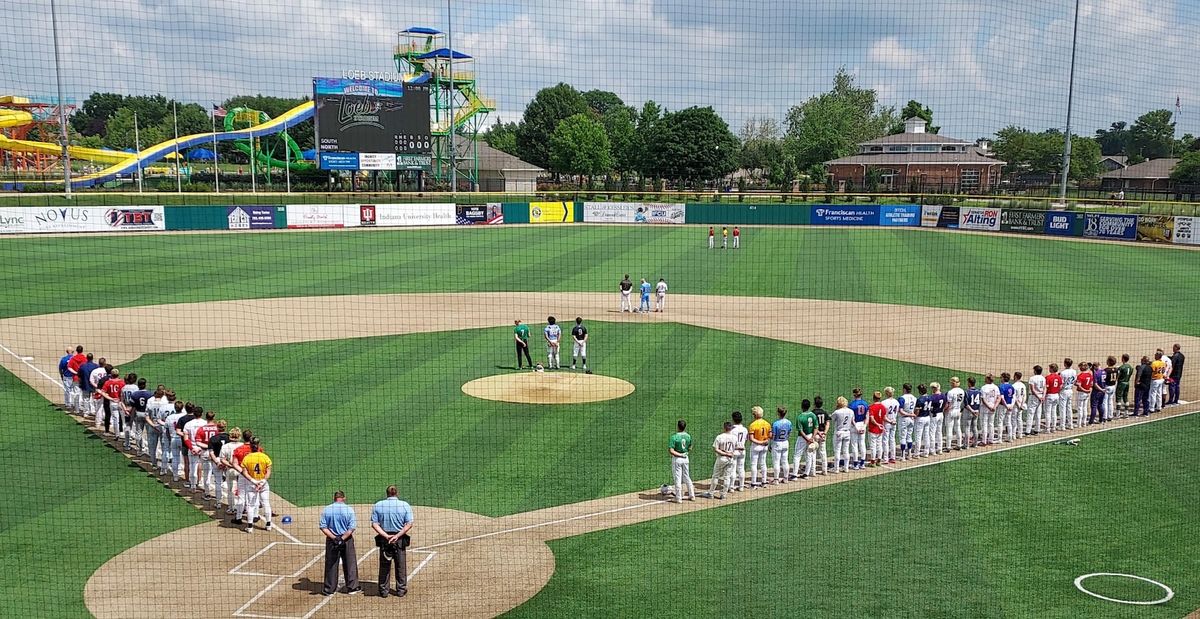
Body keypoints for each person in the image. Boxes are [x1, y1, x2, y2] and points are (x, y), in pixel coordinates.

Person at [372, 485, 414, 598]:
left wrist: (386, 536)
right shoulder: (404, 505)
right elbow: (409, 524)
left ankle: (383, 591)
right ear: (397, 493)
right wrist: (397, 536)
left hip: (384, 539)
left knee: (384, 565)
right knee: (400, 565)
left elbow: (374, 524)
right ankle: (401, 590)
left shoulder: (378, 505)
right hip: (399, 539)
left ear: (387, 493)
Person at [320, 490, 361, 596]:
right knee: (350, 563)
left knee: (331, 564)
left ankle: (329, 589)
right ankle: (352, 587)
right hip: (346, 540)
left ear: (334, 498)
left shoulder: (327, 509)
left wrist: (335, 538)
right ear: (344, 498)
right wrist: (342, 538)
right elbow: (351, 528)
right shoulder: (349, 510)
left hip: (331, 540)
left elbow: (323, 527)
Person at [239, 438, 273, 533]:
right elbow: (268, 471)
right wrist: (262, 481)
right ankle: (268, 525)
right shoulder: (265, 457)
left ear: (250, 446)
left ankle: (250, 527)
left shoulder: (247, 458)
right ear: (258, 445)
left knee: (250, 505)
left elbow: (244, 472)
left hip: (251, 484)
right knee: (266, 503)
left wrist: (254, 481)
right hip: (263, 484)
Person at [705, 421, 736, 499]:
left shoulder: (720, 437)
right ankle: (724, 495)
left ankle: (711, 493)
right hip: (730, 459)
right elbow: (735, 448)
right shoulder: (734, 437)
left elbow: (716, 449)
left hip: (721, 458)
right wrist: (729, 453)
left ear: (724, 428)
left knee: (716, 476)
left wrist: (725, 453)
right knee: (727, 477)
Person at [668, 419, 695, 503]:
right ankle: (692, 495)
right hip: (686, 459)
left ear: (678, 426)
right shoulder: (688, 436)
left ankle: (678, 498)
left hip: (677, 459)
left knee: (677, 478)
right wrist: (685, 453)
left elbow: (671, 451)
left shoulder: (674, 437)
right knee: (687, 477)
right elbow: (690, 447)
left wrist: (680, 455)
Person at [218, 427, 244, 516]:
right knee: (242, 490)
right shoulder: (243, 446)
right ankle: (243, 508)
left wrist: (230, 465)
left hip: (231, 470)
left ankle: (231, 508)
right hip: (241, 470)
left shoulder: (225, 446)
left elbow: (222, 459)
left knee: (230, 490)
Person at [792, 400, 818, 478]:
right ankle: (806, 474)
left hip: (802, 438)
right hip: (811, 436)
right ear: (809, 406)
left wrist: (807, 439)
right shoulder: (813, 415)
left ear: (802, 406)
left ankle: (794, 475)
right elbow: (816, 428)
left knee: (797, 456)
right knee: (809, 455)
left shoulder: (800, 417)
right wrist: (812, 438)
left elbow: (800, 430)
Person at [747, 406, 770, 487]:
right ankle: (764, 481)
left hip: (756, 446)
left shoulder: (752, 425)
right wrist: (765, 441)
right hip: (764, 446)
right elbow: (770, 435)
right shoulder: (767, 423)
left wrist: (760, 442)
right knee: (763, 463)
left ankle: (753, 483)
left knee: (754, 464)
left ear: (754, 415)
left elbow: (751, 439)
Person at [769, 407, 792, 483]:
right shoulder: (789, 422)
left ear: (778, 413)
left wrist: (770, 444)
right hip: (785, 442)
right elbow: (789, 433)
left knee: (776, 462)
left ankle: (776, 480)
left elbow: (773, 436)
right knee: (785, 461)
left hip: (777, 443)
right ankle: (786, 478)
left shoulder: (775, 423)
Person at [831, 396, 854, 473]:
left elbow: (832, 419)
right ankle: (846, 468)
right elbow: (852, 420)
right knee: (846, 451)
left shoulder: (837, 412)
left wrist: (836, 409)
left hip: (839, 432)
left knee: (837, 451)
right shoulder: (851, 411)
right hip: (847, 432)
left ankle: (836, 469)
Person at [848, 388, 868, 469]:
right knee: (862, 443)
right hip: (862, 424)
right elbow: (867, 417)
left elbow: (851, 419)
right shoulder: (865, 403)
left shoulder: (852, 405)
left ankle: (855, 464)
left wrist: (856, 427)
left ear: (854, 394)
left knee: (854, 445)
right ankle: (862, 463)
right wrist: (864, 426)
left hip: (854, 425)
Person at [866, 392, 887, 467]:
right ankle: (879, 461)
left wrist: (877, 424)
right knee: (879, 445)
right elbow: (884, 417)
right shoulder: (883, 407)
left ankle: (872, 462)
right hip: (880, 429)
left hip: (873, 429)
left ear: (873, 398)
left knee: (873, 446)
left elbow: (872, 419)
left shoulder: (871, 407)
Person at [812, 396, 831, 474]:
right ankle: (824, 470)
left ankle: (813, 471)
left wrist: (818, 433)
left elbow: (813, 426)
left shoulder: (812, 413)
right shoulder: (824, 412)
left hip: (816, 435)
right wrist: (824, 432)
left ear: (814, 404)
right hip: (823, 435)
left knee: (813, 453)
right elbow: (828, 423)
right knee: (823, 452)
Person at [945, 378, 965, 450]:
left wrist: (945, 410)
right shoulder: (962, 391)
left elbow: (948, 404)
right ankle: (959, 444)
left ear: (953, 383)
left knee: (949, 429)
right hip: (958, 410)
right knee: (958, 428)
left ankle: (948, 446)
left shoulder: (950, 392)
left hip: (951, 411)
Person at [898, 384, 917, 460]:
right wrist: (912, 414)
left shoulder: (902, 398)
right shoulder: (914, 398)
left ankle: (903, 456)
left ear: (904, 389)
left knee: (903, 437)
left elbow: (901, 411)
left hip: (904, 419)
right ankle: (909, 454)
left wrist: (909, 414)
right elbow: (915, 409)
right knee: (909, 436)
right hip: (911, 419)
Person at [979, 375, 999, 446]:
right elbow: (998, 398)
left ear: (988, 379)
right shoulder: (996, 387)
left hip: (985, 408)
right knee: (991, 424)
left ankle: (984, 441)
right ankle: (991, 440)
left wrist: (989, 407)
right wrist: (994, 406)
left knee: (984, 424)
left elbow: (983, 399)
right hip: (993, 407)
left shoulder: (984, 387)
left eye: (985, 378)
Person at [1026, 366, 1046, 435]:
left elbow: (1032, 389)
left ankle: (1028, 431)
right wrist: (1043, 396)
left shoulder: (1032, 378)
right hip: (1041, 396)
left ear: (1035, 371)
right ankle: (1037, 430)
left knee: (1030, 414)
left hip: (1034, 396)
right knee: (1038, 414)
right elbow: (1045, 388)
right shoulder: (1043, 378)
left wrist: (1038, 397)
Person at [66, 346, 87, 414]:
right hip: (83, 378)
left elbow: (69, 367)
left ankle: (77, 409)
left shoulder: (73, 358)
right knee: (84, 394)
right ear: (82, 350)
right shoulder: (85, 358)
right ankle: (84, 409)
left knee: (76, 393)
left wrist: (75, 372)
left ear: (76, 351)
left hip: (76, 378)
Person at [730, 411, 748, 491]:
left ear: (733, 419)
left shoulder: (732, 430)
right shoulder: (745, 429)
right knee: (741, 468)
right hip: (742, 450)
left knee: (733, 469)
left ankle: (731, 487)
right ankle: (741, 486)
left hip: (734, 451)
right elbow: (746, 439)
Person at [881, 388, 899, 464]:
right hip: (894, 422)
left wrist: (889, 421)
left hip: (887, 423)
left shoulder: (883, 403)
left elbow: (883, 416)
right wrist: (892, 421)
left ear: (887, 393)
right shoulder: (897, 402)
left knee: (885, 440)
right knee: (892, 440)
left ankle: (885, 458)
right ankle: (893, 457)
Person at [1059, 358, 1078, 430]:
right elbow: (1075, 381)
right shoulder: (1074, 371)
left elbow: (1061, 384)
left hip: (1064, 391)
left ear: (1065, 364)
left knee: (1062, 409)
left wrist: (1058, 391)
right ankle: (1070, 424)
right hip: (1070, 390)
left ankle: (1062, 426)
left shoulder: (1063, 373)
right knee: (1069, 408)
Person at [964, 377, 982, 447]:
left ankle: (966, 445)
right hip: (976, 411)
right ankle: (975, 444)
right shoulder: (978, 391)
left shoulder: (967, 392)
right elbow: (979, 402)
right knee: (975, 427)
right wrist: (977, 410)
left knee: (967, 428)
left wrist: (972, 411)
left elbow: (966, 404)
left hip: (969, 412)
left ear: (969, 383)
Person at [928, 382, 946, 453]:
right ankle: (939, 449)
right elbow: (945, 404)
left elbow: (929, 408)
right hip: (941, 414)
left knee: (932, 433)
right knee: (939, 432)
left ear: (934, 388)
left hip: (934, 415)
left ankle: (932, 450)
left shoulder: (932, 397)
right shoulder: (943, 395)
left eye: (932, 388)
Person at [998, 373, 1016, 443]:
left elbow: (1002, 398)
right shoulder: (1011, 386)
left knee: (1000, 422)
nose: (1000, 378)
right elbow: (1014, 397)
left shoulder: (1001, 386)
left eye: (1001, 377)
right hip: (1010, 406)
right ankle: (1010, 438)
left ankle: (999, 439)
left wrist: (1006, 406)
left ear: (1003, 378)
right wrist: (1011, 405)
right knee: (1008, 422)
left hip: (1003, 406)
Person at [1045, 364, 1063, 432]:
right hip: (1056, 395)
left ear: (1052, 369)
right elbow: (1061, 386)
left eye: (1050, 368)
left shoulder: (1048, 377)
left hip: (1049, 395)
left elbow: (1046, 388)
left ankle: (1047, 428)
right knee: (1054, 412)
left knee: (1048, 412)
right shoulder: (1059, 377)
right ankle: (1054, 428)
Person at [1075, 363, 1093, 428]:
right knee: (1085, 408)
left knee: (1080, 408)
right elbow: (1091, 384)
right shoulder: (1090, 375)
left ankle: (1079, 424)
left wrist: (1085, 390)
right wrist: (1088, 390)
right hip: (1087, 393)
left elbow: (1079, 387)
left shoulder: (1080, 376)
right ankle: (1084, 423)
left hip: (1081, 393)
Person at [1102, 357, 1118, 422]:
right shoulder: (1116, 369)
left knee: (1105, 402)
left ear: (1109, 362)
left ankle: (1104, 416)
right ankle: (1110, 416)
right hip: (1113, 386)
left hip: (1107, 386)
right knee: (1110, 401)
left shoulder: (1106, 370)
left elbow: (1103, 379)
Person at [1012, 371, 1027, 438]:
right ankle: (1020, 434)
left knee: (1014, 420)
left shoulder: (1014, 386)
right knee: (1019, 419)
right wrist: (1022, 404)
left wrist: (1018, 405)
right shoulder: (1023, 385)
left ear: (1015, 376)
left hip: (1015, 405)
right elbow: (1024, 396)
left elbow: (1014, 397)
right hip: (1021, 404)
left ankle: (1013, 435)